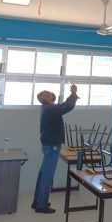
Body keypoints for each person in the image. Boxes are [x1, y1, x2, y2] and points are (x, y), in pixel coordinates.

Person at [32, 84, 79, 213]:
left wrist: (71, 96)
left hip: (48, 145)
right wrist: (73, 93)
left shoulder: (47, 108)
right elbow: (67, 106)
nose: (52, 96)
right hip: (52, 146)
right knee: (47, 176)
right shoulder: (50, 109)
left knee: (43, 174)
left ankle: (37, 201)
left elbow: (61, 106)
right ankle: (41, 205)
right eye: (50, 95)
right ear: (46, 98)